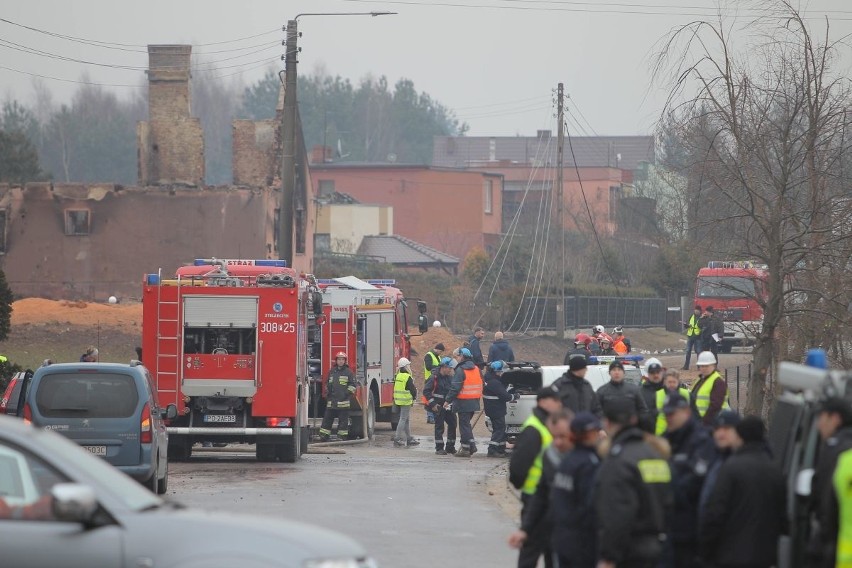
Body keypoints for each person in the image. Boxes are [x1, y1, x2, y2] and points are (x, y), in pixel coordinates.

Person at [595, 398, 673, 568]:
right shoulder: (656, 455)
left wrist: (608, 555)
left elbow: (617, 512)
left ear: (607, 423)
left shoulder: (618, 459)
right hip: (659, 546)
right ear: (633, 420)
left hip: (629, 551)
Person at [699, 416, 785, 568]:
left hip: (730, 555)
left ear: (740, 436)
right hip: (764, 556)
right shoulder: (775, 469)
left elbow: (716, 512)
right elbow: (781, 515)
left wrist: (705, 549)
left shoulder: (731, 467)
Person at [508, 409, 575, 567]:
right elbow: (541, 496)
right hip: (553, 525)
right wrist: (525, 529)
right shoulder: (550, 456)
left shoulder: (588, 460)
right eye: (554, 437)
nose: (557, 442)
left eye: (563, 437)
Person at [661, 393, 717, 568]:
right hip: (669, 526)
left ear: (686, 412)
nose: (668, 418)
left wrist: (669, 490)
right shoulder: (665, 440)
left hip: (692, 527)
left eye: (672, 414)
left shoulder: (701, 440)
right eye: (666, 414)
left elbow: (696, 480)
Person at [548, 411, 603, 568]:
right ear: (590, 434)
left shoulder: (567, 462)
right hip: (583, 542)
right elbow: (591, 506)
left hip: (562, 538)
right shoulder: (589, 463)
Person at [811, 398, 852, 566]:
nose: (818, 425)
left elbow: (823, 506)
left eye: (822, 418)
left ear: (835, 418)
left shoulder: (836, 454)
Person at [698, 410, 742, 518]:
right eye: (717, 429)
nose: (721, 434)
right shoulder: (711, 458)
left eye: (726, 429)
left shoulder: (745, 462)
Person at [445, 347, 483, 458]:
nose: (456, 359)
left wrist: (448, 400)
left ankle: (466, 448)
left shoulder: (460, 370)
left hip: (463, 402)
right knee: (466, 425)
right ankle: (471, 446)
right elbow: (483, 383)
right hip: (474, 402)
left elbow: (455, 387)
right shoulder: (477, 369)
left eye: (457, 356)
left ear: (462, 356)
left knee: (464, 425)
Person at [319, 351, 357, 441]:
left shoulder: (349, 373)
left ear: (345, 361)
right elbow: (327, 383)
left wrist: (346, 394)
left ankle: (341, 436)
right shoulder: (332, 371)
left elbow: (353, 386)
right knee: (327, 420)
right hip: (332, 402)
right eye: (339, 359)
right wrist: (327, 391)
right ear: (336, 361)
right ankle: (324, 435)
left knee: (343, 421)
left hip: (343, 403)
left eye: (342, 359)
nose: (340, 361)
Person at [423, 356, 458, 455]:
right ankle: (439, 448)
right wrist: (433, 404)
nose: (451, 370)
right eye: (449, 368)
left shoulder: (449, 377)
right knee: (439, 426)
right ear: (444, 367)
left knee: (453, 424)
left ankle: (450, 447)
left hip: (448, 405)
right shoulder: (434, 377)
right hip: (437, 406)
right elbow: (426, 391)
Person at [483, 360, 517, 457]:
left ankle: (501, 449)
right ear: (497, 371)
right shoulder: (495, 382)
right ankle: (492, 450)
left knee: (500, 428)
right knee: (499, 429)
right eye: (501, 371)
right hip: (496, 409)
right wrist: (515, 396)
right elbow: (505, 396)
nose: (502, 373)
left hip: (492, 408)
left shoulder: (488, 379)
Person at [690, 351, 731, 427]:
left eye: (707, 366)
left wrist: (704, 422)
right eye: (702, 366)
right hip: (700, 422)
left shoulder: (718, 382)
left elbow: (715, 406)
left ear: (714, 366)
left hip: (711, 424)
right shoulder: (700, 380)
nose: (704, 368)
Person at [392, 357, 419, 448]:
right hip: (406, 400)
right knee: (403, 419)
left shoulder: (398, 376)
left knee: (406, 420)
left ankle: (408, 438)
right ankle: (397, 438)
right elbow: (412, 389)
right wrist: (415, 397)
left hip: (398, 400)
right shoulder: (407, 377)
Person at [655, 369, 690, 436]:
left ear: (678, 382)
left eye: (674, 382)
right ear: (665, 382)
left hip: (682, 434)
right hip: (662, 435)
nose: (672, 385)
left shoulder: (687, 394)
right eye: (669, 382)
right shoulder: (657, 395)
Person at [639, 357, 665, 433]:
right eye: (652, 373)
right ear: (648, 374)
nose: (655, 375)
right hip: (648, 437)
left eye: (657, 372)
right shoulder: (641, 393)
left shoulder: (670, 390)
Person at [423, 343, 446, 424]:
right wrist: (438, 367)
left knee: (434, 398)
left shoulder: (438, 357)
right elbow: (428, 366)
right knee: (429, 398)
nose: (441, 353)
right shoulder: (428, 355)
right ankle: (430, 416)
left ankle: (433, 415)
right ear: (437, 349)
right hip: (430, 380)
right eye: (440, 351)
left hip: (437, 380)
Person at [682, 305, 703, 370]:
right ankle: (686, 366)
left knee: (699, 352)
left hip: (698, 336)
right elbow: (688, 325)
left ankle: (699, 366)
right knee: (688, 351)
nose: (696, 311)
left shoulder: (702, 318)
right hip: (690, 336)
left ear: (700, 311)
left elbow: (702, 326)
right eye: (695, 310)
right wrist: (686, 325)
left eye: (697, 310)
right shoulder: (691, 316)